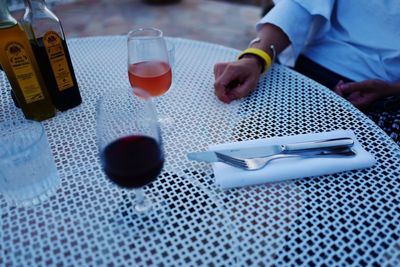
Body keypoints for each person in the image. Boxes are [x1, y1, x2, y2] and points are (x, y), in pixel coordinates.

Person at [214, 0, 400, 145]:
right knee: (234, 144)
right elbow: (301, 5)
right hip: (306, 68)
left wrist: (393, 89)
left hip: (384, 96)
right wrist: (255, 57)